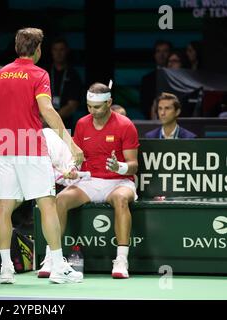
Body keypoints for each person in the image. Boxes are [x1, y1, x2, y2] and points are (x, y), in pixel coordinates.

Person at [0, 27, 84, 285]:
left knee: (4, 207)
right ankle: (59, 268)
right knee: (47, 203)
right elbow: (47, 110)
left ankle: (6, 269)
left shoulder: (0, 73)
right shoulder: (39, 74)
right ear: (38, 50)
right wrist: (70, 144)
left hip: (5, 148)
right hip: (30, 147)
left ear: (17, 48)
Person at [38, 82, 140, 279]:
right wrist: (73, 170)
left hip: (119, 182)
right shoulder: (82, 124)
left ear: (109, 102)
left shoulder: (126, 125)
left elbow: (133, 164)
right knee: (59, 200)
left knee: (120, 199)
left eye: (97, 107)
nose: (92, 111)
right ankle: (54, 257)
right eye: (89, 106)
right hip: (90, 181)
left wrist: (119, 167)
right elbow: (78, 158)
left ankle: (121, 260)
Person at [49, 37, 82, 132]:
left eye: (61, 49)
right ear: (51, 51)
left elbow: (72, 105)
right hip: (43, 123)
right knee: (43, 146)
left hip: (65, 125)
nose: (58, 53)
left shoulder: (73, 75)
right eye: (55, 49)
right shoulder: (44, 72)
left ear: (67, 51)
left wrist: (51, 119)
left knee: (64, 147)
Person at [140, 40, 172, 119]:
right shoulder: (147, 79)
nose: (161, 54)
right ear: (154, 55)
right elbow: (144, 104)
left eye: (165, 51)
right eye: (158, 51)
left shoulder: (177, 77)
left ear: (170, 54)